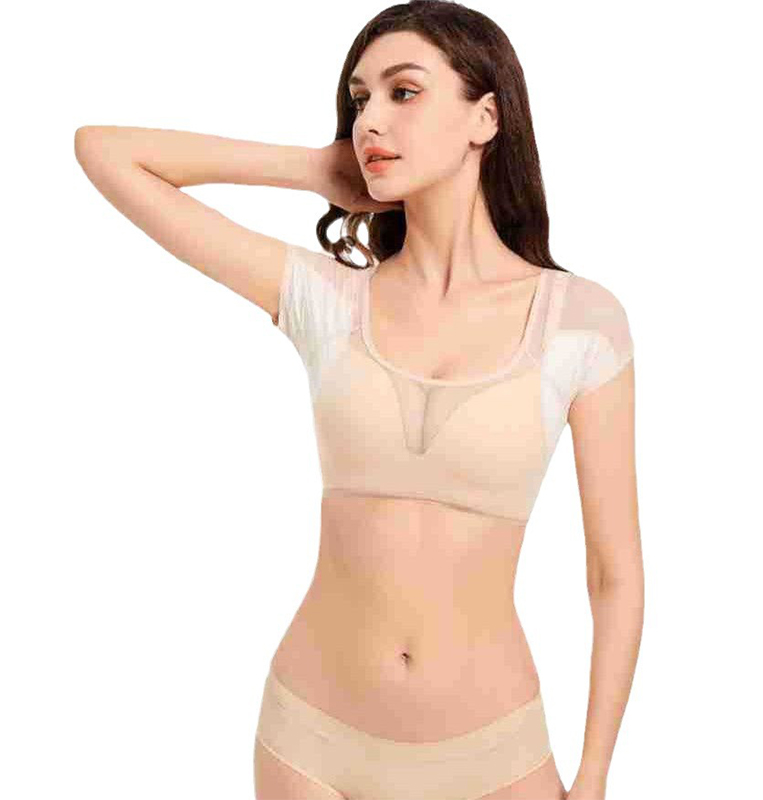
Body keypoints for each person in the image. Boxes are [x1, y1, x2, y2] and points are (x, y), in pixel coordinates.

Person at [74, 2, 644, 798]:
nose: (370, 118)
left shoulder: (580, 320)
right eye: (359, 99)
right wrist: (314, 168)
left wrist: (594, 775)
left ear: (486, 117)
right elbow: (103, 151)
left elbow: (614, 573)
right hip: (312, 741)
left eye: (403, 92)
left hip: (496, 754)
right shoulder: (325, 297)